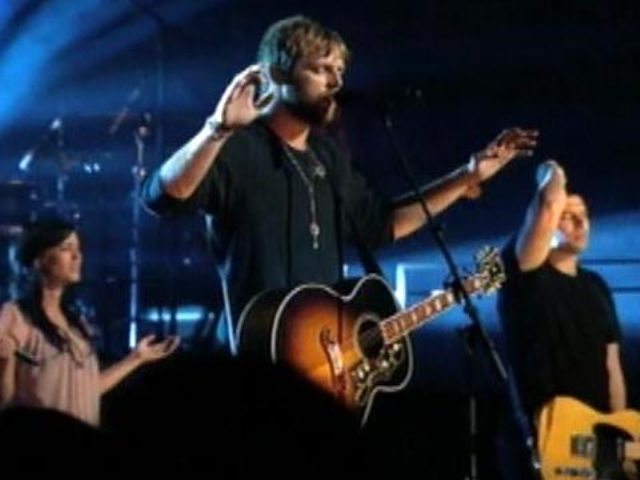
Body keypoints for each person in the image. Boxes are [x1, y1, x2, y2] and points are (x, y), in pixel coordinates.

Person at [142, 15, 538, 352]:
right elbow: (161, 196)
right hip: (262, 362)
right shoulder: (239, 146)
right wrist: (217, 129)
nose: (335, 82)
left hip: (327, 363)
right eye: (321, 69)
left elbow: (384, 223)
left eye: (340, 71)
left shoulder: (327, 157)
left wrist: (468, 175)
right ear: (277, 74)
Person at [496, 160, 626, 476]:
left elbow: (612, 366)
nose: (581, 223)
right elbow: (549, 202)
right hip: (546, 439)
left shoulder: (597, 286)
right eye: (568, 217)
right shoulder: (524, 273)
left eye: (584, 214)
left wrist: (621, 428)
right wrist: (551, 171)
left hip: (598, 441)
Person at [0, 218, 180, 426]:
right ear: (39, 260)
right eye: (66, 248)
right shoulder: (15, 316)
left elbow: (88, 389)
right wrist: (5, 363)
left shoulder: (77, 322)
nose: (77, 256)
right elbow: (5, 402)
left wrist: (137, 358)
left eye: (78, 249)